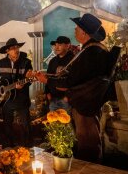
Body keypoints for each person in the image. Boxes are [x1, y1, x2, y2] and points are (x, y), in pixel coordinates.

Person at [35, 13, 109, 163]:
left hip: (86, 106)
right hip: (88, 103)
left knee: (88, 142)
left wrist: (47, 80)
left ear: (84, 32)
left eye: (77, 28)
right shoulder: (92, 49)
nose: (74, 30)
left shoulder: (91, 52)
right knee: (85, 140)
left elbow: (71, 81)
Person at [0, 38, 33, 147]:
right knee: (7, 125)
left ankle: (26, 147)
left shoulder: (26, 62)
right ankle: (10, 147)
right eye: (13, 48)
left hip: (22, 99)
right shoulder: (1, 63)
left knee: (25, 125)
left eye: (17, 47)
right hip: (6, 101)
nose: (16, 50)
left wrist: (24, 84)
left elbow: (30, 80)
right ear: (7, 51)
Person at [45, 36, 74, 114]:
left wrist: (67, 97)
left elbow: (75, 81)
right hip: (53, 99)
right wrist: (48, 94)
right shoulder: (52, 61)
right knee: (53, 124)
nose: (56, 47)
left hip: (66, 100)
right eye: (55, 45)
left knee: (67, 124)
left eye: (60, 45)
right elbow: (48, 77)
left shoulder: (73, 60)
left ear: (68, 46)